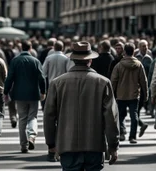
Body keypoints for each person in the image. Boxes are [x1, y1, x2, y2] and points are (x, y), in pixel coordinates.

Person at [44, 41, 119, 170]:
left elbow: (49, 115)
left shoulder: (57, 83)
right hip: (94, 143)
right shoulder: (103, 82)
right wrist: (113, 145)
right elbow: (111, 116)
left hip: (68, 144)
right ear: (90, 60)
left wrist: (51, 143)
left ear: (72, 59)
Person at [4, 40, 46, 153]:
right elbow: (42, 78)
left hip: (19, 94)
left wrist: (6, 91)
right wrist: (43, 91)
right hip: (33, 94)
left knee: (22, 119)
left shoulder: (15, 60)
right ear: (30, 48)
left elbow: (9, 78)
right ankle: (32, 135)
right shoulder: (35, 61)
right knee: (33, 117)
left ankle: (24, 145)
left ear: (21, 47)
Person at [111, 43, 148, 143]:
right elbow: (144, 81)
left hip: (121, 94)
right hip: (134, 94)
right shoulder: (139, 65)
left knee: (120, 116)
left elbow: (113, 80)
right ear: (133, 51)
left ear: (124, 52)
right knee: (134, 116)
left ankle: (121, 134)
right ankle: (132, 137)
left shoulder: (119, 65)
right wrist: (146, 94)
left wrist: (111, 94)